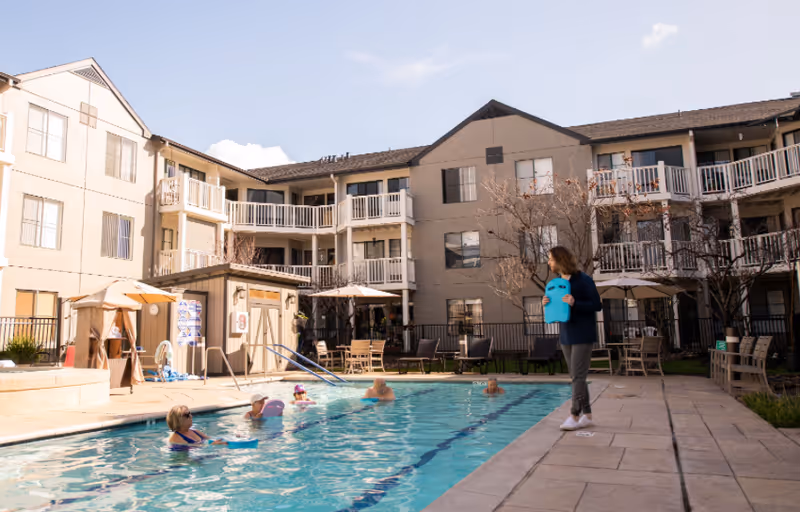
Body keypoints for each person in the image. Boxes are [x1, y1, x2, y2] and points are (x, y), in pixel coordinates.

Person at [541, 246, 601, 431]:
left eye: (550, 259)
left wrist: (576, 303)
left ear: (560, 260)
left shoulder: (583, 280)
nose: (548, 262)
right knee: (577, 376)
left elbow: (596, 305)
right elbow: (559, 309)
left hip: (583, 333)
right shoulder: (557, 283)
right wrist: (546, 303)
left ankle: (574, 415)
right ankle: (588, 415)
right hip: (566, 333)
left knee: (578, 376)